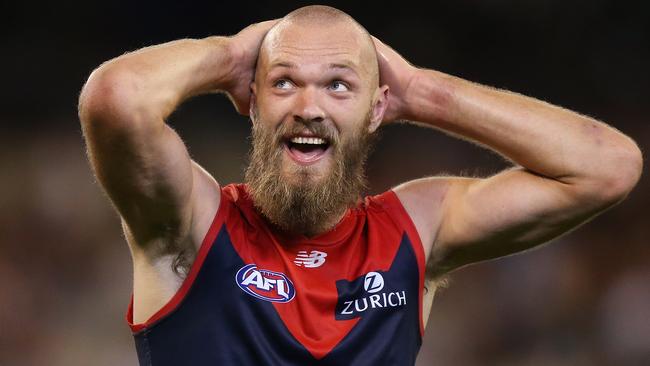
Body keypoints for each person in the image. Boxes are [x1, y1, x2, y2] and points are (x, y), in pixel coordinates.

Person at [77, 5, 643, 366]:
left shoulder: (415, 230)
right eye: (284, 82)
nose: (309, 107)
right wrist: (228, 55)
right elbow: (115, 100)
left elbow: (607, 166)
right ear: (250, 101)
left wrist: (423, 92)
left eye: (339, 86)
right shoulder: (191, 226)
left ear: (377, 112)